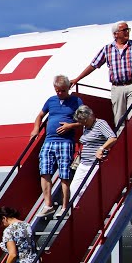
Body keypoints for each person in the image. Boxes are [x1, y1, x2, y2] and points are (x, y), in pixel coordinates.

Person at [69, 21, 132, 126]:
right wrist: (77, 79)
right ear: (116, 34)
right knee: (119, 119)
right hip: (117, 87)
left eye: (128, 30)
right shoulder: (107, 49)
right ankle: (121, 140)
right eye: (124, 30)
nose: (127, 32)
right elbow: (93, 65)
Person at [31, 75, 83, 217]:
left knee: (64, 174)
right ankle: (48, 205)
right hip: (49, 141)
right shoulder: (51, 101)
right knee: (44, 171)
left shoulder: (76, 101)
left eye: (63, 91)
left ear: (68, 88)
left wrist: (70, 126)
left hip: (65, 142)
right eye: (58, 91)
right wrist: (36, 128)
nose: (60, 93)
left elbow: (86, 120)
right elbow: (40, 115)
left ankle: (65, 206)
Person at [70, 105, 117, 205]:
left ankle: (89, 210)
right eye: (81, 121)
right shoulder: (86, 126)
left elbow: (112, 138)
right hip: (83, 163)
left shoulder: (100, 123)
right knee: (74, 187)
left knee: (90, 189)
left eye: (84, 121)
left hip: (95, 164)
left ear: (90, 116)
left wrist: (101, 149)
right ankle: (76, 212)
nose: (83, 124)